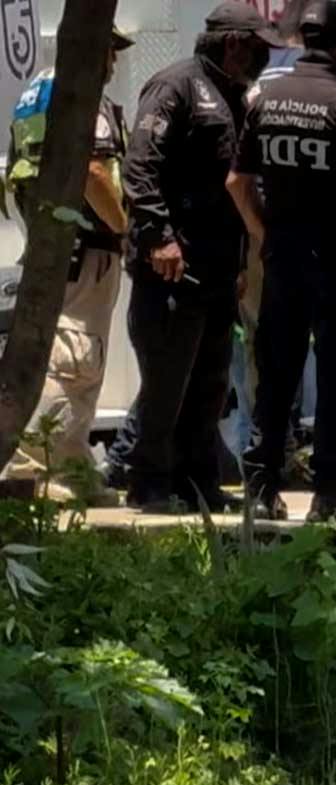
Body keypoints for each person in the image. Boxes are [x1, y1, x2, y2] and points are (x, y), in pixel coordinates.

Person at [227, 0, 336, 523]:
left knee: (276, 375)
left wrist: (265, 235)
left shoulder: (267, 98)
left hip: (284, 258)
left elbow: (237, 181)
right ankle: (329, 493)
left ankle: (260, 490)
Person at [120, 2, 278, 513]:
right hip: (172, 268)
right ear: (233, 43)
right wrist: (157, 237)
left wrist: (236, 266)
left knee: (210, 386)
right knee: (167, 384)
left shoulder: (235, 96)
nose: (264, 57)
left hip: (215, 270)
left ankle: (199, 484)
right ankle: (150, 485)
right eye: (259, 47)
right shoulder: (176, 86)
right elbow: (140, 168)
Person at [0, 26, 136, 502]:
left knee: (70, 354)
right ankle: (38, 468)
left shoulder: (35, 91)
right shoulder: (80, 97)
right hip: (87, 244)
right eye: (108, 53)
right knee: (73, 357)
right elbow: (94, 170)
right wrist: (123, 227)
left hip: (53, 242)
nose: (113, 64)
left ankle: (71, 463)